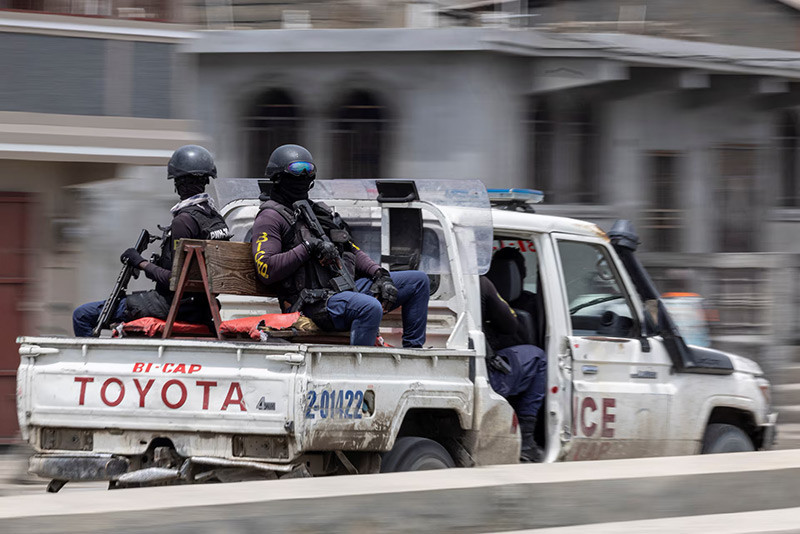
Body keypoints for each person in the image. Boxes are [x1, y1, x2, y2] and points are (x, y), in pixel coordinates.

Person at [250, 144, 430, 347]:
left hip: (343, 290)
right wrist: (309, 247)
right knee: (369, 307)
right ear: (278, 177)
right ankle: (359, 368)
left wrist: (380, 275)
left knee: (418, 282)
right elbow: (267, 269)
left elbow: (350, 248)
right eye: (296, 171)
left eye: (308, 171)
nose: (302, 177)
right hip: (312, 302)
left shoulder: (318, 214)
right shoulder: (271, 217)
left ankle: (413, 353)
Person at [72, 145, 232, 337]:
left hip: (175, 305)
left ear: (177, 183)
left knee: (82, 315)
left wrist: (140, 262)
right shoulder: (216, 220)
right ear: (206, 180)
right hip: (202, 307)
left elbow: (175, 279)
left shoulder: (184, 221)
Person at [481, 274, 547, 462]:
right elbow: (510, 325)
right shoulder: (480, 282)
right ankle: (526, 442)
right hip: (484, 374)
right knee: (537, 357)